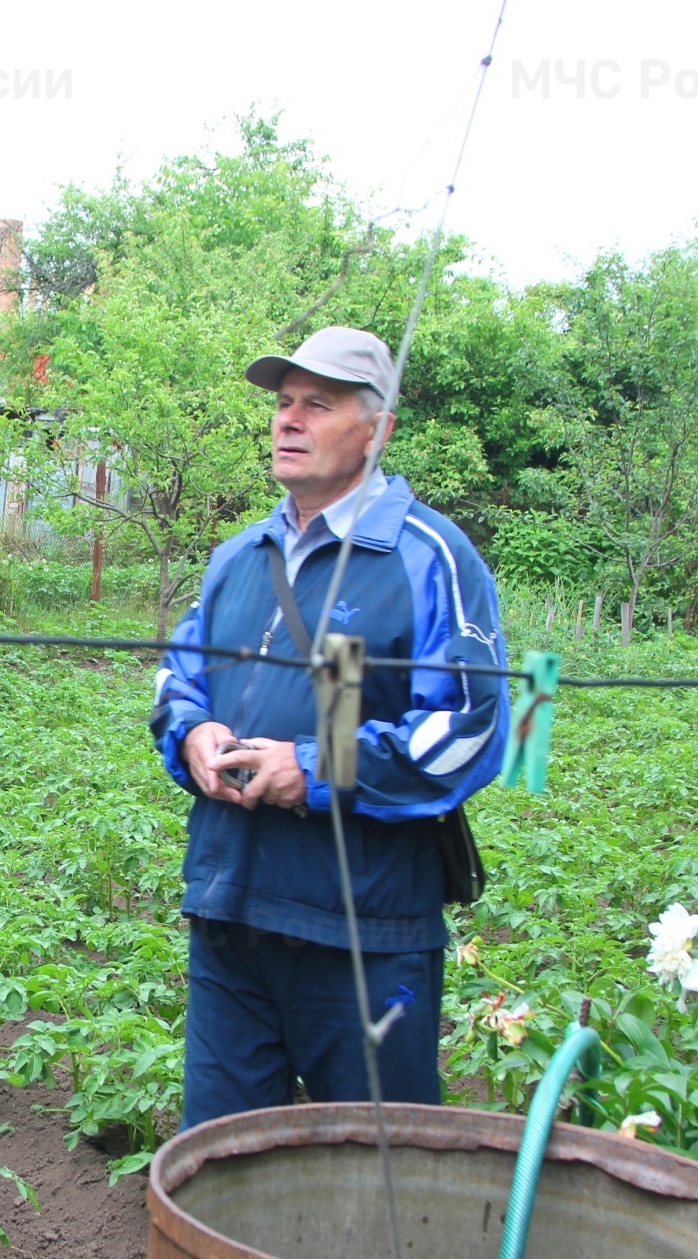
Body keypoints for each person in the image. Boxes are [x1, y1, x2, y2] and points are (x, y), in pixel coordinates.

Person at [149, 325, 507, 1130]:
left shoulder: (427, 556)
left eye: (319, 403)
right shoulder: (239, 557)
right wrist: (194, 732)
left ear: (376, 429)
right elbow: (179, 675)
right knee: (221, 1164)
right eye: (283, 403)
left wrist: (313, 766)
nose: (288, 420)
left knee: (377, 1179)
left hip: (364, 934)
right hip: (231, 912)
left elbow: (472, 725)